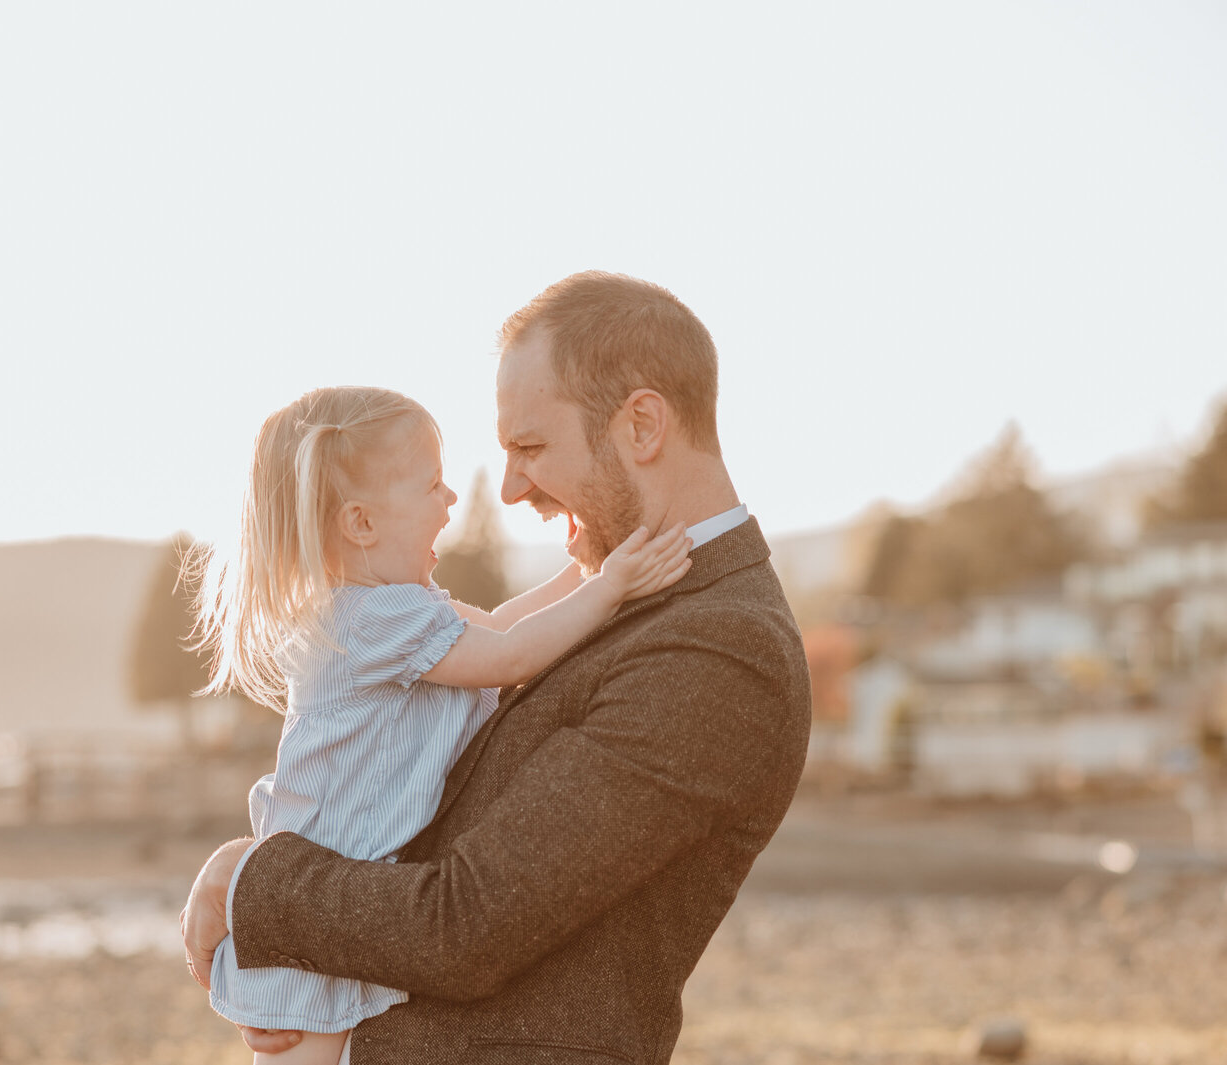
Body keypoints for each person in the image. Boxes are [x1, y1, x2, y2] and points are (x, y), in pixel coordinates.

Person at [183, 271, 813, 1064]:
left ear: (642, 425)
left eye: (532, 447)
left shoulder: (720, 649)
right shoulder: (635, 600)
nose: (510, 487)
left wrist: (253, 881)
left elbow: (464, 923)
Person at [191, 384, 695, 1064]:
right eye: (431, 484)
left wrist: (585, 571)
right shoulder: (371, 618)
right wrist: (612, 588)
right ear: (362, 523)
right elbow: (509, 656)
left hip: (335, 903)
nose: (452, 499)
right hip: (314, 916)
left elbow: (501, 625)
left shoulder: (399, 607)